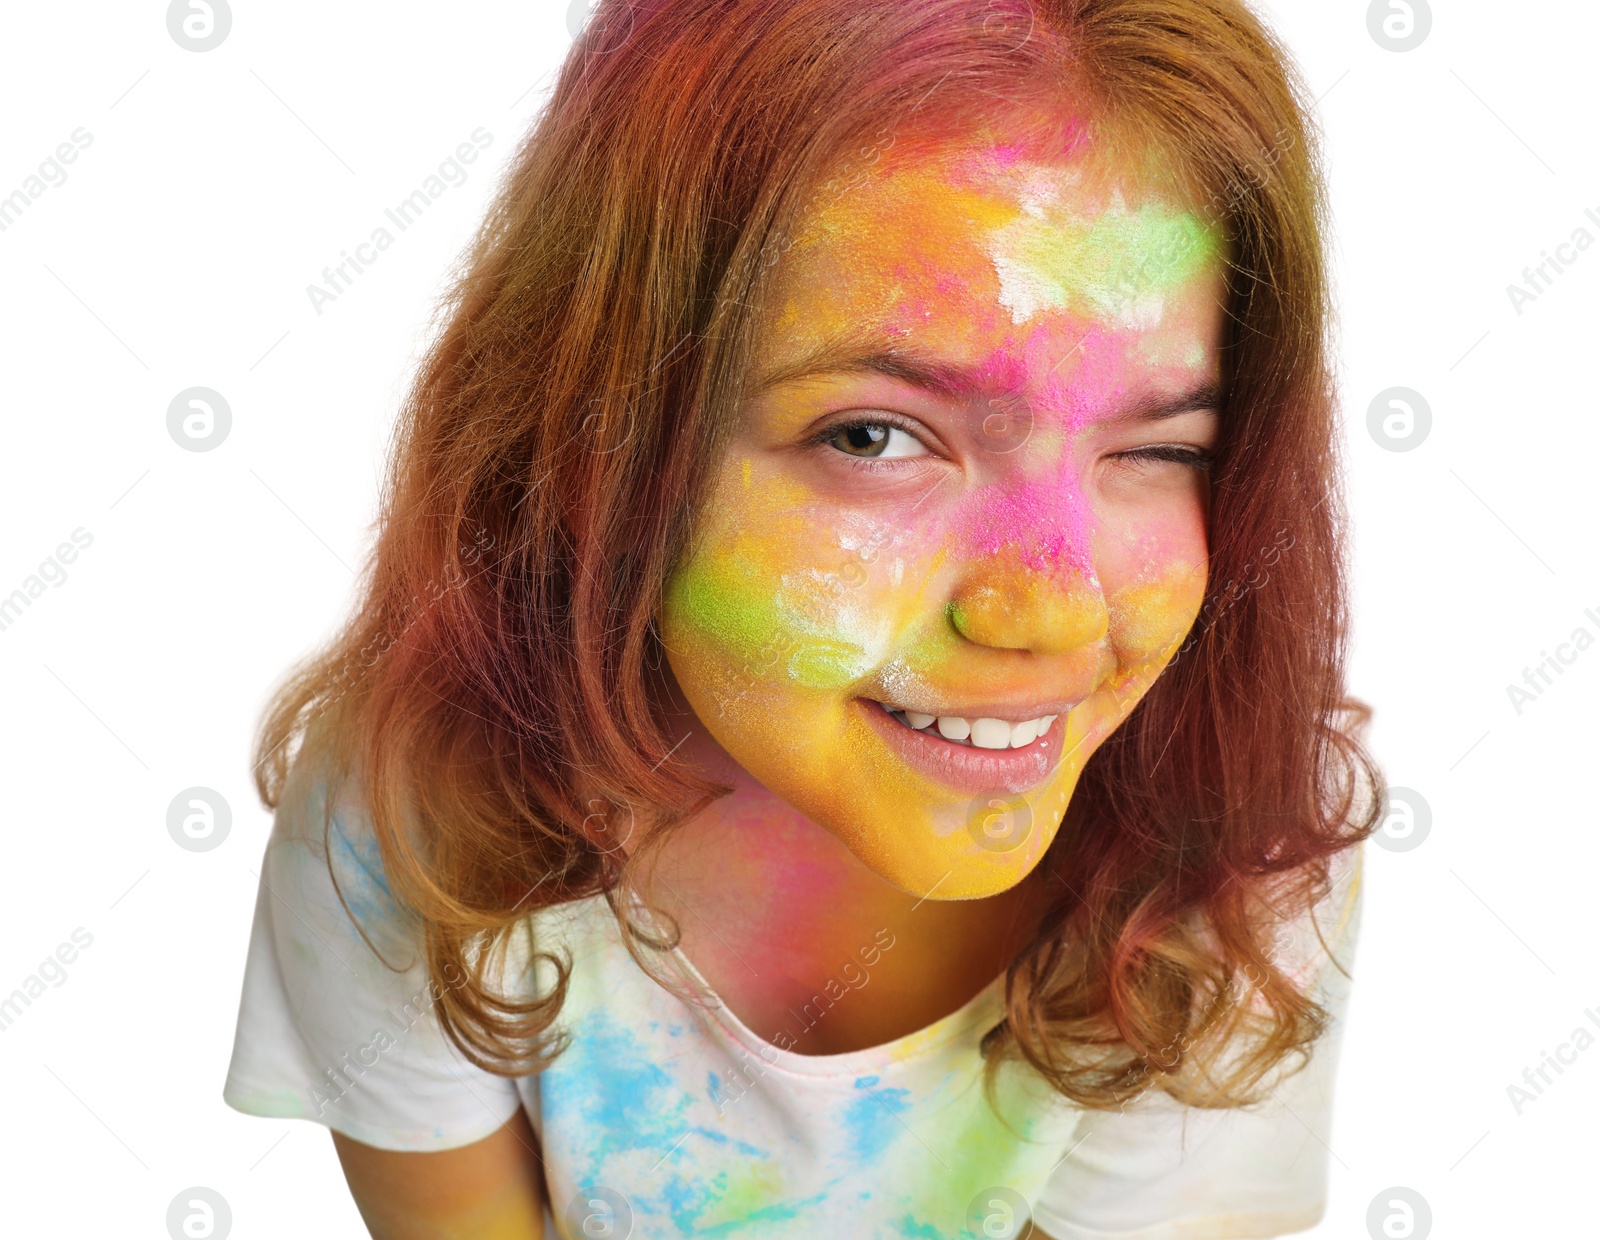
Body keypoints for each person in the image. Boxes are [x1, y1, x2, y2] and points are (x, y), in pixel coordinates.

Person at [223, 0, 1380, 1235]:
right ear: (587, 445)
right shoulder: (411, 805)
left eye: (1158, 448)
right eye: (873, 437)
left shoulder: (1234, 844)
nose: (1050, 607)